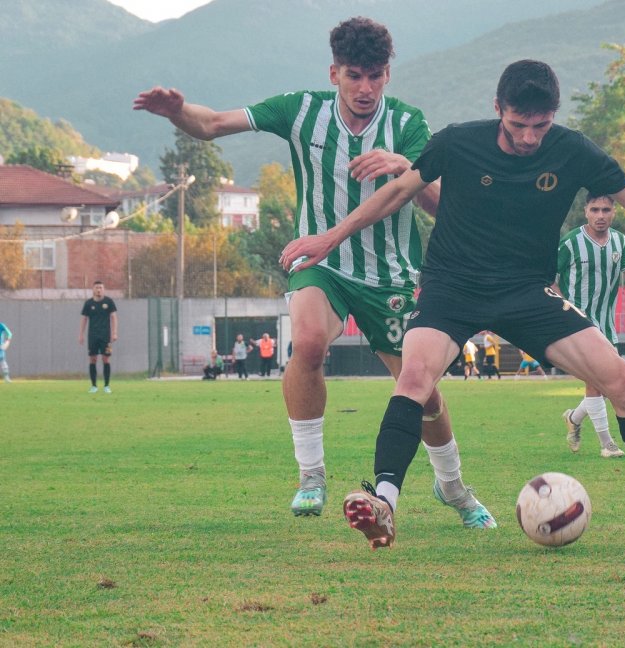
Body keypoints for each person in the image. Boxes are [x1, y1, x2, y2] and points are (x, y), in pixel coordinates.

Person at [281, 59, 625, 551]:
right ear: (498, 110)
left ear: (553, 115)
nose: (531, 138)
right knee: (413, 378)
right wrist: (331, 237)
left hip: (527, 290)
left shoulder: (573, 149)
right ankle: (384, 502)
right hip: (452, 286)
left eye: (541, 125)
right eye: (519, 125)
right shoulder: (457, 141)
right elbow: (395, 194)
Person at [134, 17, 494, 528]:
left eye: (375, 75)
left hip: (392, 275)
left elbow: (440, 206)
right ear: (334, 73)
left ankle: (453, 487)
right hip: (321, 264)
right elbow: (211, 124)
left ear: (388, 75)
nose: (365, 87)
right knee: (306, 343)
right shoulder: (300, 110)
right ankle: (311, 475)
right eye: (354, 75)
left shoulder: (410, 125)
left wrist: (401, 167)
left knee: (425, 392)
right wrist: (178, 114)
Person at [556, 193, 625, 459]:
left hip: (607, 325)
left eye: (606, 210)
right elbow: (551, 281)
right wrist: (562, 309)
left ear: (614, 212)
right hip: (577, 325)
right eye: (595, 209)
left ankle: (574, 418)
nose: (600, 215)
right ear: (585, 211)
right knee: (595, 383)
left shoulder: (619, 241)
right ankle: (607, 444)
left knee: (608, 386)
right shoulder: (571, 242)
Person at [78, 281, 117, 394]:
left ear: (103, 289)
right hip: (93, 336)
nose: (99, 289)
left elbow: (114, 317)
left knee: (106, 359)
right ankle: (94, 386)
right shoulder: (88, 303)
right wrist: (81, 334)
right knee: (92, 359)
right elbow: (84, 319)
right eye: (96, 287)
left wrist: (114, 333)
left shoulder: (109, 302)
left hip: (106, 337)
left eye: (100, 287)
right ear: (93, 289)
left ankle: (106, 386)